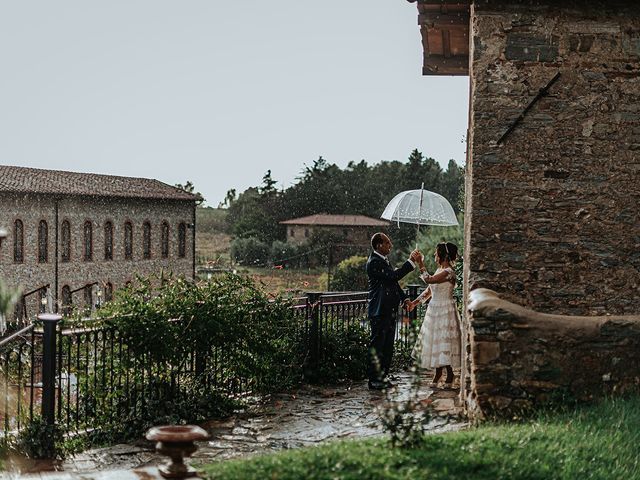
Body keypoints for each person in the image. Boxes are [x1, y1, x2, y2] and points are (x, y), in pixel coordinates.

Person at [366, 232, 421, 390]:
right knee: (377, 346)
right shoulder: (374, 262)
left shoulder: (384, 261)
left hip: (389, 310)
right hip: (379, 310)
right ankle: (374, 379)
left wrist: (404, 299)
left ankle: (383, 376)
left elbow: (393, 283)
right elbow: (392, 276)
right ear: (378, 245)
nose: (391, 245)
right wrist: (410, 261)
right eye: (387, 243)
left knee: (388, 346)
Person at [407, 242, 461, 388]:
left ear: (443, 255)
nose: (434, 255)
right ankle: (438, 373)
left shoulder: (449, 272)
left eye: (436, 253)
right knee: (435, 340)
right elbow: (429, 291)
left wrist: (420, 262)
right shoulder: (439, 270)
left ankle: (450, 373)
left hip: (445, 309)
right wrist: (414, 303)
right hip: (434, 309)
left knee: (445, 340)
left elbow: (428, 280)